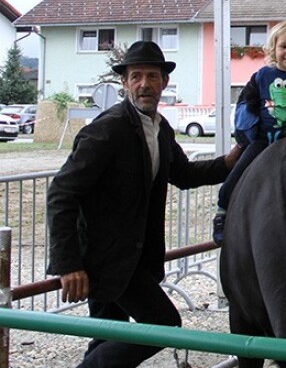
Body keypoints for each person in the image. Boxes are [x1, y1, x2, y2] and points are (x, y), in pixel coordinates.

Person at [46, 41, 242, 368]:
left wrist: (228, 162)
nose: (144, 84)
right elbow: (61, 194)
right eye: (136, 76)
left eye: (152, 76)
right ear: (124, 83)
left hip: (135, 258)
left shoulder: (160, 128)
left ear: (164, 83)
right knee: (165, 324)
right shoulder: (106, 131)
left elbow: (182, 173)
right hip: (105, 260)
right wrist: (68, 264)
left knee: (108, 337)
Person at [212, 20, 286, 244]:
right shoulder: (261, 76)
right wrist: (246, 132)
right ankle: (222, 212)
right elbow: (246, 104)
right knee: (238, 172)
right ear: (273, 49)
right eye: (284, 46)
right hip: (262, 140)